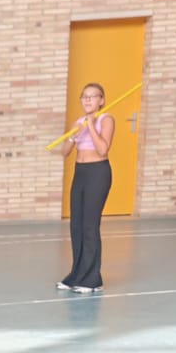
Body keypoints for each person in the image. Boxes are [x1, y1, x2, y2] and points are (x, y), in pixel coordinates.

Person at [54, 82, 115, 293]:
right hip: (80, 173)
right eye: (84, 96)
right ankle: (77, 274)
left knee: (90, 225)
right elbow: (65, 152)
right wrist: (74, 134)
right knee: (77, 226)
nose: (87, 100)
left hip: (98, 173)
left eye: (93, 96)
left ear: (101, 100)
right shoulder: (78, 122)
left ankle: (92, 280)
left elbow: (103, 149)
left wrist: (91, 126)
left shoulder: (106, 119)